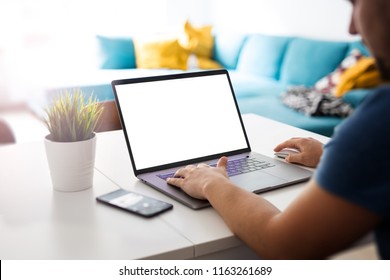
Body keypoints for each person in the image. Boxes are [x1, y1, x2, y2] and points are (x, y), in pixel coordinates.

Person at [167, 0, 390, 259]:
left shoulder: (380, 120)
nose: (352, 28)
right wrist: (331, 155)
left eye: (356, 4)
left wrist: (211, 183)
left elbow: (285, 245)